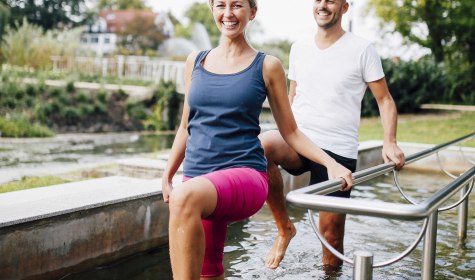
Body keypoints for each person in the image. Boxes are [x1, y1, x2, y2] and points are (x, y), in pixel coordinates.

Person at [160, 0, 354, 279]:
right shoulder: (195, 61)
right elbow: (184, 127)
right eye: (220, 5)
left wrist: (331, 164)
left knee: (183, 198)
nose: (228, 14)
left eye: (237, 5)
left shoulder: (267, 66)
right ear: (212, 9)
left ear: (252, 12)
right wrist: (167, 174)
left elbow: (291, 132)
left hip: (244, 175)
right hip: (198, 178)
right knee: (209, 271)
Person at [260, 0, 406, 271]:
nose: (323, 5)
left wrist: (390, 141)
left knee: (331, 239)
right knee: (262, 146)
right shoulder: (299, 48)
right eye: (318, 0)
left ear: (344, 7)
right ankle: (284, 229)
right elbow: (293, 96)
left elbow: (384, 100)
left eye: (330, 0)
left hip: (338, 151)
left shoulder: (362, 49)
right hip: (300, 141)